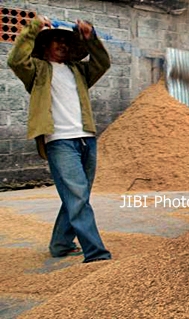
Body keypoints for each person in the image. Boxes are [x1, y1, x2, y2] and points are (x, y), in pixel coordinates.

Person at [8, 15, 112, 263]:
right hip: (59, 141)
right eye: (57, 40)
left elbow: (103, 62)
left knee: (79, 195)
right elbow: (15, 60)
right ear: (45, 46)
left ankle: (60, 243)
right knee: (77, 195)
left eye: (67, 41)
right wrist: (33, 28)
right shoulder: (37, 70)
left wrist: (91, 38)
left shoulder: (79, 71)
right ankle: (96, 254)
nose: (63, 45)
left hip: (86, 138)